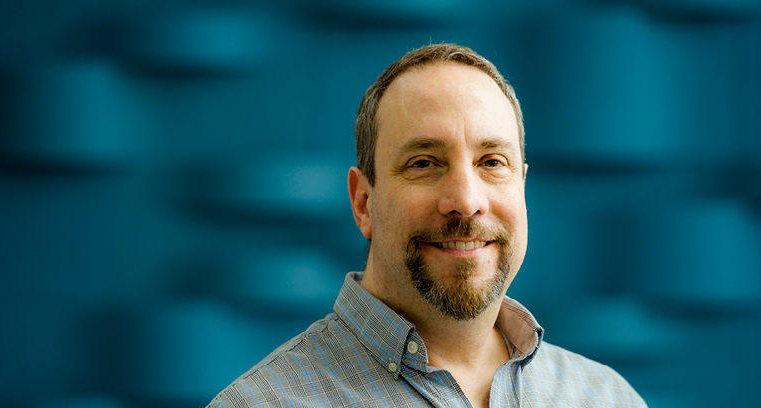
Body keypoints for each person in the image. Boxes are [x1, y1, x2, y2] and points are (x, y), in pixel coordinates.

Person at [207, 43, 646, 408]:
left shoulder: (605, 396)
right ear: (363, 202)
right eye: (424, 163)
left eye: (493, 162)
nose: (466, 202)